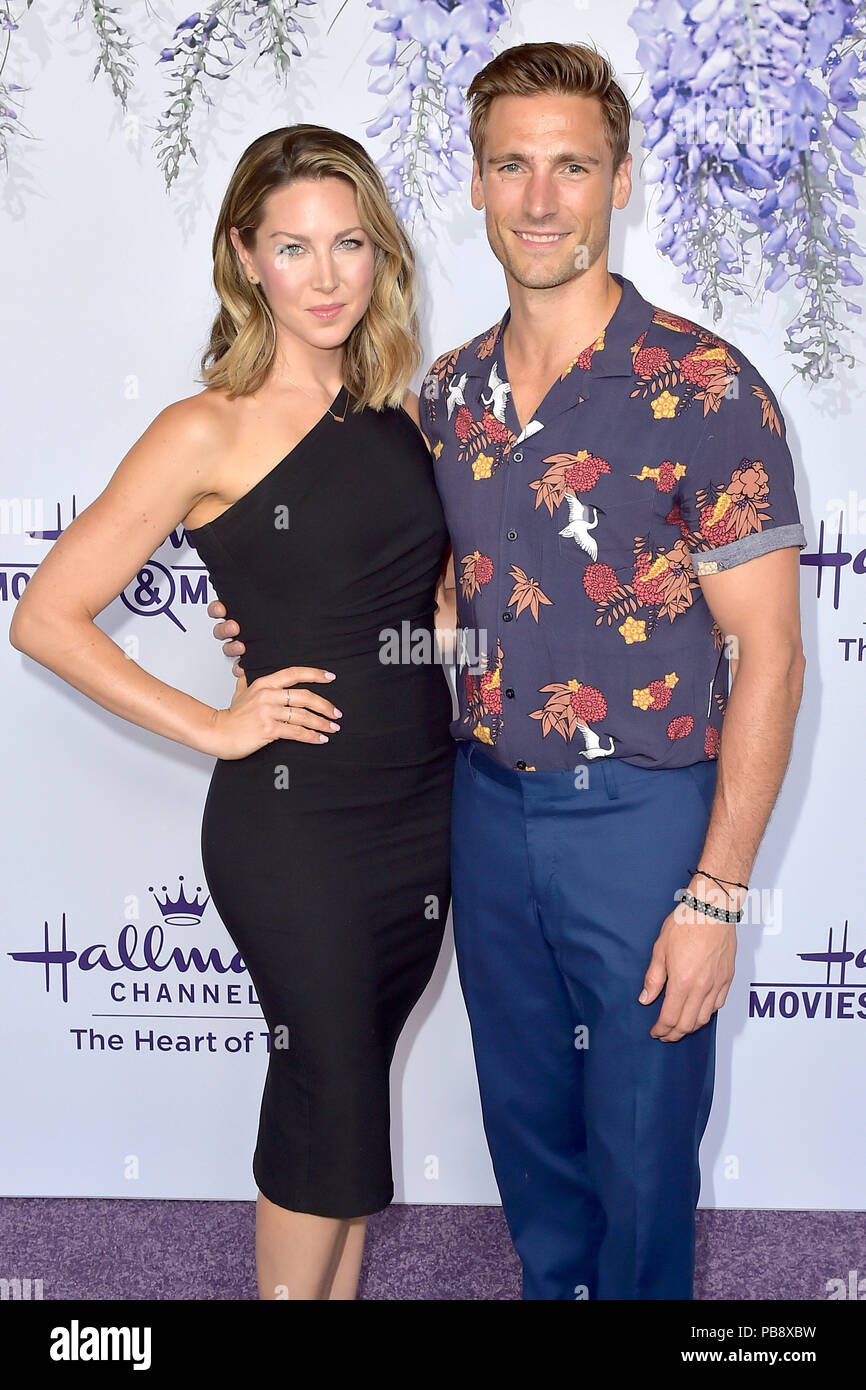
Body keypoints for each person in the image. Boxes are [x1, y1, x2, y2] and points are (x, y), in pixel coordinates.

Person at [211, 44, 808, 1299]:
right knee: (527, 1141)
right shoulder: (447, 393)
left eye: (571, 167)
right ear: (476, 185)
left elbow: (767, 657)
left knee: (641, 1152)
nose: (541, 200)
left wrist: (715, 893)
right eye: (512, 167)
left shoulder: (704, 388)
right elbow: (442, 612)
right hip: (479, 807)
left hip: (643, 820)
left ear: (620, 182)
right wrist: (289, 626)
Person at [8, 124, 457, 1301]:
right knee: (331, 1094)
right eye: (293, 246)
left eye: (348, 244)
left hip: (419, 805)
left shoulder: (399, 417)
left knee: (343, 1100)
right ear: (244, 260)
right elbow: (47, 615)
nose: (324, 275)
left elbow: (435, 616)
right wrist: (216, 723)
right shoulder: (202, 427)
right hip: (294, 822)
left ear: (379, 256)